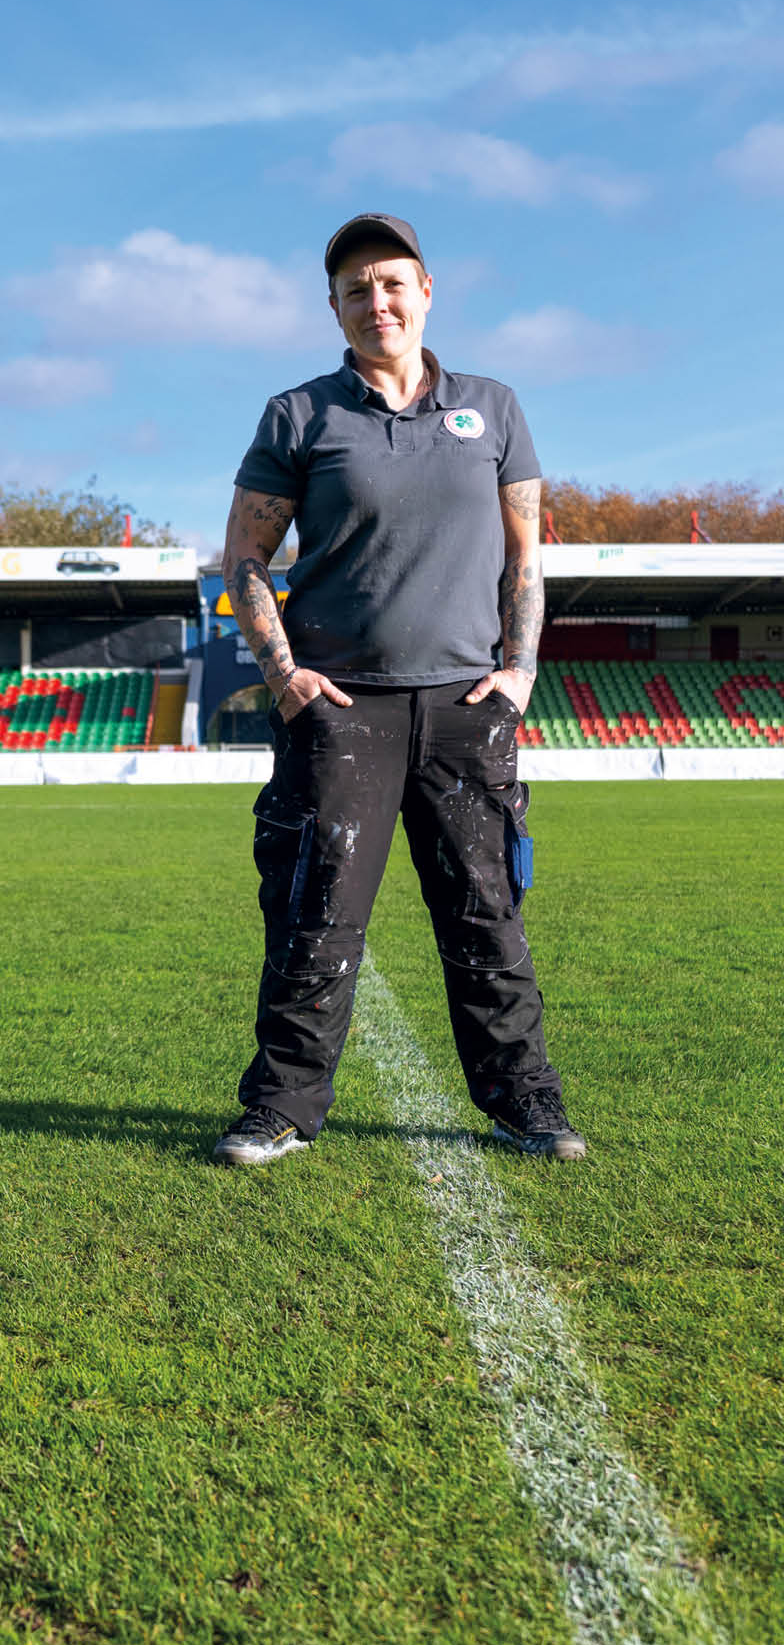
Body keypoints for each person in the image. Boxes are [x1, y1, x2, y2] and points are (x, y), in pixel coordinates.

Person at [212, 212, 584, 1167]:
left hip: (466, 707)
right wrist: (284, 674)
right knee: (313, 908)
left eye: (390, 283)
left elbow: (524, 555)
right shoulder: (301, 415)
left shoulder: (491, 408)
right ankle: (282, 1107)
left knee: (485, 910)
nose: (375, 301)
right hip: (342, 710)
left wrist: (518, 670)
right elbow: (246, 558)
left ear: (424, 292)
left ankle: (526, 1104)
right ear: (333, 308)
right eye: (353, 290)